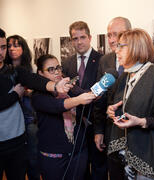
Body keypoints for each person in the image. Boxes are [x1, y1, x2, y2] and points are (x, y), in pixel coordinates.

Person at [106, 28, 154, 180]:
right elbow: (121, 106)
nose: (116, 51)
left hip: (147, 154)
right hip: (123, 156)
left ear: (137, 48)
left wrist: (141, 122)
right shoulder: (125, 75)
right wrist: (111, 110)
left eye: (121, 46)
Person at [0, 28, 71, 180]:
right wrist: (13, 96)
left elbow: (33, 79)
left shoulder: (14, 71)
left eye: (3, 47)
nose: (1, 51)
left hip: (17, 140)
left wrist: (55, 86)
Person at [32, 54, 95, 180]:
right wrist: (78, 100)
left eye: (58, 68)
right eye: (51, 69)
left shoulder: (69, 87)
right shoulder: (37, 95)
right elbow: (58, 106)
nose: (57, 72)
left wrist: (99, 89)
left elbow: (86, 94)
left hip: (78, 153)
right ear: (40, 73)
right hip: (53, 157)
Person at [61, 21, 106, 180]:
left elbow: (101, 93)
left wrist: (78, 91)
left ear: (90, 37)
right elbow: (65, 91)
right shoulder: (67, 63)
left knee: (99, 166)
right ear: (71, 40)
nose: (79, 42)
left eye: (82, 37)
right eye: (75, 38)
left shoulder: (102, 60)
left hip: (97, 123)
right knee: (80, 166)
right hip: (75, 124)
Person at [93, 16, 131, 180]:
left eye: (119, 34)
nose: (113, 39)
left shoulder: (147, 60)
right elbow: (100, 100)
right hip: (111, 131)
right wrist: (99, 130)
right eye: (109, 35)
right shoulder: (105, 60)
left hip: (136, 132)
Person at [5, 34, 40, 180]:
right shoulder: (4, 70)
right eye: (9, 46)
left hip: (29, 120)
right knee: (15, 164)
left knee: (33, 160)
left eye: (16, 45)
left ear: (23, 48)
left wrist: (26, 92)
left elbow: (36, 94)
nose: (12, 49)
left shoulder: (29, 70)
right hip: (10, 123)